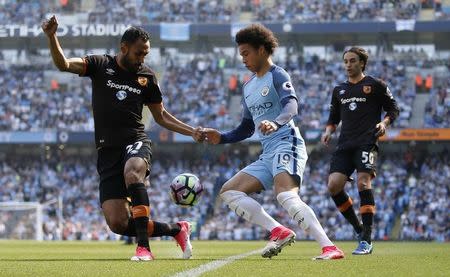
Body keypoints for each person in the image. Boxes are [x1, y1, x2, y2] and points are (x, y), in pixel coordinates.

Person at [42, 16, 203, 261]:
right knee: (118, 223)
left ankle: (143, 248)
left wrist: (191, 131)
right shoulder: (99, 64)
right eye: (139, 53)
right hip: (107, 151)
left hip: (135, 141)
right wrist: (52, 36)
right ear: (124, 48)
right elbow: (63, 64)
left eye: (146, 54)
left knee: (133, 172)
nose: (142, 59)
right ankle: (177, 229)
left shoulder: (147, 77)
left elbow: (161, 117)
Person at [202, 24, 344, 260]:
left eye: (246, 53)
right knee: (229, 191)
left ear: (261, 50)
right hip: (268, 152)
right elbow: (247, 128)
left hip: (287, 142)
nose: (243, 59)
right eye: (241, 55)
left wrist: (276, 123)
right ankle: (278, 231)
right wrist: (223, 138)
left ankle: (329, 247)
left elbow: (292, 105)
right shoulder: (247, 87)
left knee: (285, 195)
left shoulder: (278, 74)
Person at [321, 47, 399, 255]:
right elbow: (334, 116)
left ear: (362, 63)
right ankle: (358, 228)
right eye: (346, 61)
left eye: (352, 61)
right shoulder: (339, 90)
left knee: (363, 182)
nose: (348, 65)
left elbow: (393, 109)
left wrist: (384, 123)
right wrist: (329, 130)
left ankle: (367, 238)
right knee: (333, 186)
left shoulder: (376, 85)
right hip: (344, 144)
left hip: (367, 142)